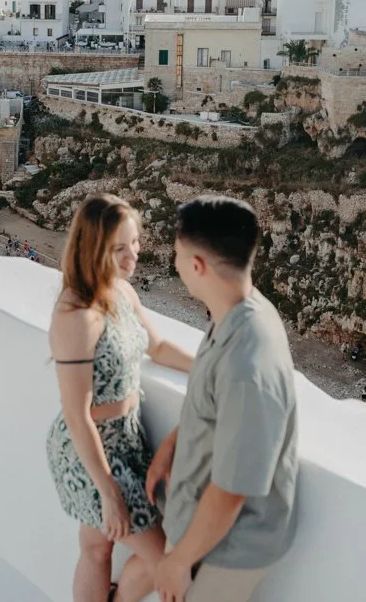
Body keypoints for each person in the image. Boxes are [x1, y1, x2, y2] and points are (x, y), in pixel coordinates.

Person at [147, 196, 298, 602]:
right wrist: (171, 447)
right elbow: (212, 402)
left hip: (225, 549)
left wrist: (179, 562)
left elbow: (232, 490)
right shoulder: (234, 308)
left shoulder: (248, 363)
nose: (174, 264)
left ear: (197, 266)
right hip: (200, 528)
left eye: (178, 255)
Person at [47, 194, 194, 602]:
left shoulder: (122, 292)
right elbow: (77, 415)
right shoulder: (75, 316)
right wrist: (108, 491)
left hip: (128, 441)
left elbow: (158, 347)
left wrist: (209, 368)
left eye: (135, 244)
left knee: (97, 547)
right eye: (119, 248)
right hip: (93, 453)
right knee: (166, 558)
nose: (133, 257)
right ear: (92, 249)